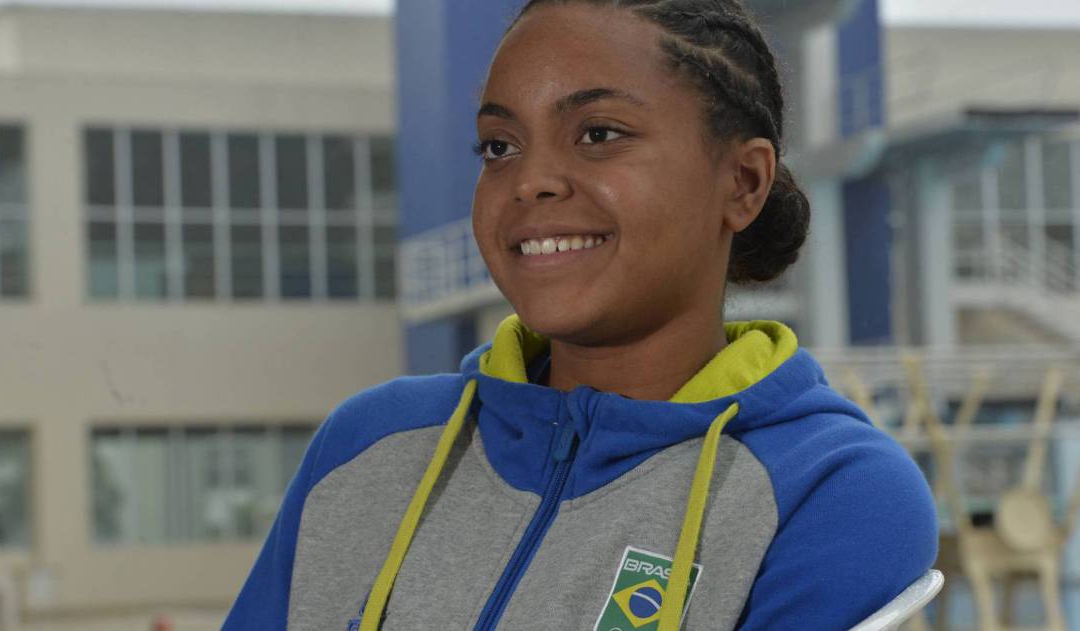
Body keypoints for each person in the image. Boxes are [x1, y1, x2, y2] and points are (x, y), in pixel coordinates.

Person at [224, 0, 938, 629]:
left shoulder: (830, 492)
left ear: (742, 182)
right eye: (499, 146)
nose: (529, 180)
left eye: (598, 133)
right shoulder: (368, 448)